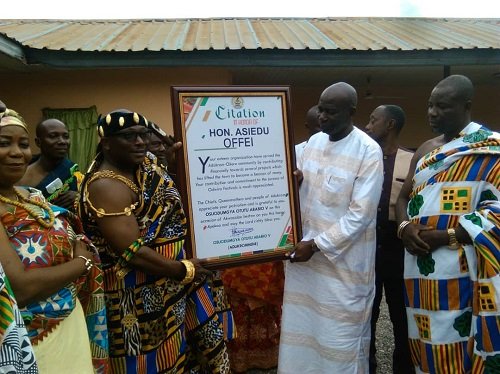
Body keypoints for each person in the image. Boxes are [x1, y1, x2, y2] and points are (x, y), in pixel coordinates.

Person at [78, 109, 234, 373]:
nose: (140, 142)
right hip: (134, 295)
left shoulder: (145, 166)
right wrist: (184, 270)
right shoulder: (106, 186)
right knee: (145, 362)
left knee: (177, 352)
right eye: (128, 137)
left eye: (143, 135)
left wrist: (175, 165)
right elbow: (132, 252)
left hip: (166, 285)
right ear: (106, 143)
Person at [396, 74, 500, 373]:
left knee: (458, 336)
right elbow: (403, 198)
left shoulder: (490, 150)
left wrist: (445, 235)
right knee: (424, 339)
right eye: (430, 106)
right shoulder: (426, 149)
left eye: (442, 107)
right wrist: (405, 228)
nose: (432, 113)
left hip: (462, 265)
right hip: (418, 266)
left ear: (466, 106)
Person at [278, 82, 384, 372]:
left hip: (343, 270)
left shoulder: (368, 151)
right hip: (305, 267)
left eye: (330, 112)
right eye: (321, 110)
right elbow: (297, 192)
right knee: (301, 339)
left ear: (351, 111)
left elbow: (360, 214)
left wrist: (316, 244)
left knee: (340, 344)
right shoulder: (313, 144)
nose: (322, 117)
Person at [0, 112, 108, 373]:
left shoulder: (31, 196)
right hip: (30, 338)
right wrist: (80, 262)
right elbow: (21, 288)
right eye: (4, 143)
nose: (17, 152)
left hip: (70, 320)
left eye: (23, 144)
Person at [364, 105, 414, 373]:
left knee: (402, 316)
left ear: (391, 124)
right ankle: (367, 366)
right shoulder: (363, 158)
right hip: (367, 249)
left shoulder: (412, 159)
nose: (368, 125)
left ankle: (403, 367)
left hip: (399, 251)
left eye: (374, 120)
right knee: (366, 317)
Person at [18, 119, 82, 210]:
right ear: (38, 142)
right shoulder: (22, 177)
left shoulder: (71, 169)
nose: (62, 141)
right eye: (53, 136)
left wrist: (79, 197)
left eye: (66, 136)